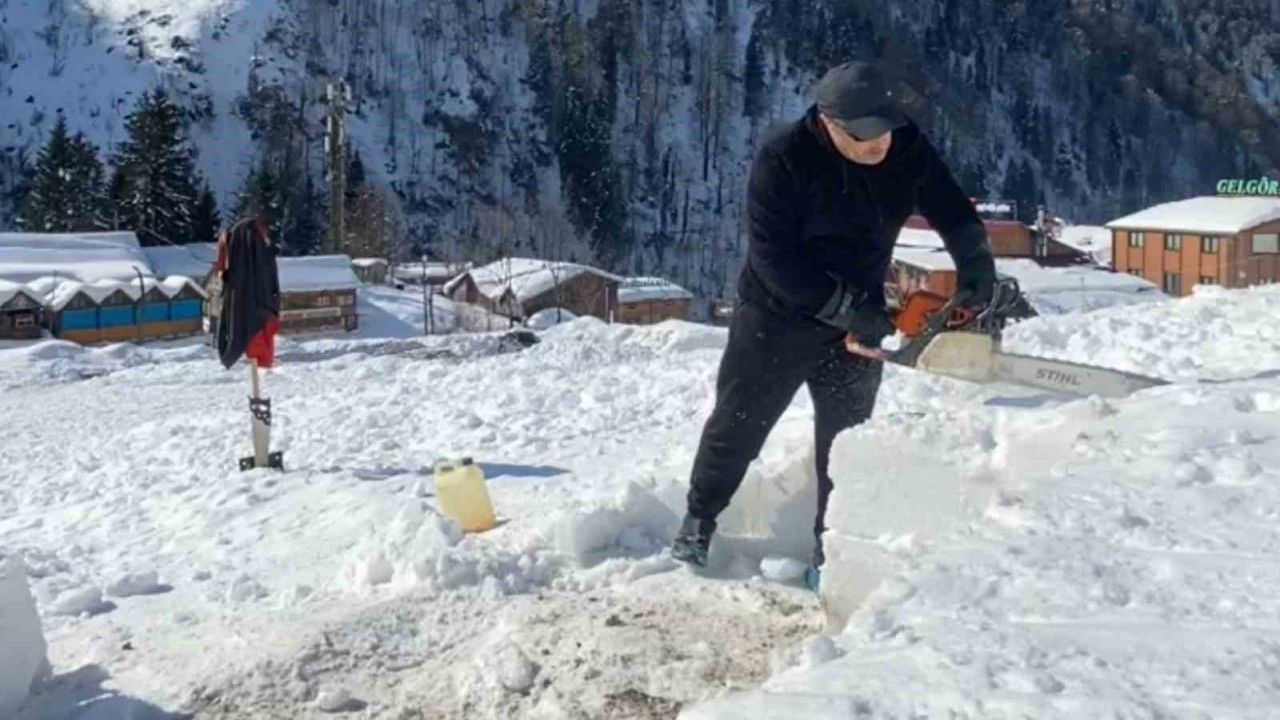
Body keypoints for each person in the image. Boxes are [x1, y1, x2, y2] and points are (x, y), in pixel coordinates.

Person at [670, 61, 997, 581]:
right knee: (739, 423)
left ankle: (831, 551)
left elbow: (953, 210)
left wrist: (976, 267)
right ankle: (699, 519)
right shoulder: (783, 159)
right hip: (777, 315)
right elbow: (773, 259)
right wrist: (846, 309)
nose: (879, 143)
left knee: (845, 444)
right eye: (864, 134)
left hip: (858, 323)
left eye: (885, 129)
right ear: (828, 122)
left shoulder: (906, 147)